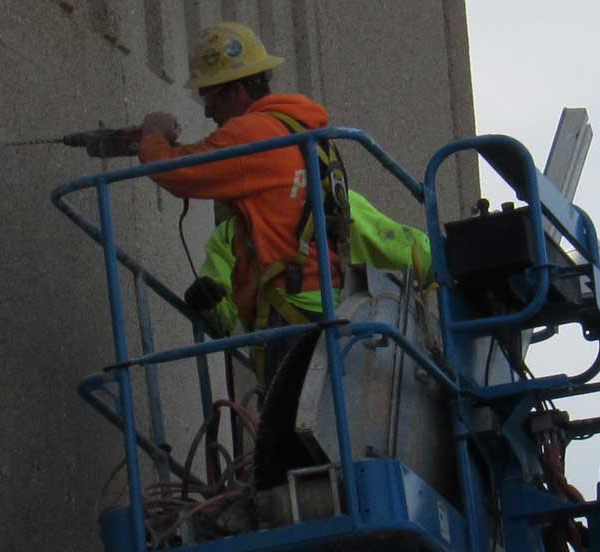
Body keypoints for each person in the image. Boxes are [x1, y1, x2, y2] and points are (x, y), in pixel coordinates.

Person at [131, 21, 433, 339]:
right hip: (326, 305)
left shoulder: (251, 134)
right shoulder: (300, 133)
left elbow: (175, 172)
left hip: (290, 313)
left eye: (210, 98)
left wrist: (152, 135)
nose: (208, 113)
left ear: (235, 90)